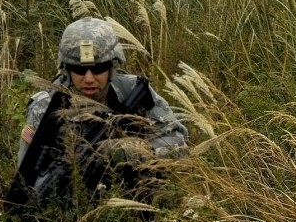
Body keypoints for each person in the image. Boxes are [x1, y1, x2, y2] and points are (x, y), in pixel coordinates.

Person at [10, 17, 188, 210]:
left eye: (97, 68)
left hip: (138, 204)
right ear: (67, 70)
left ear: (112, 67)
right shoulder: (45, 108)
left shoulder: (132, 91)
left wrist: (135, 151)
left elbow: (179, 144)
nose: (88, 79)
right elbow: (26, 180)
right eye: (79, 69)